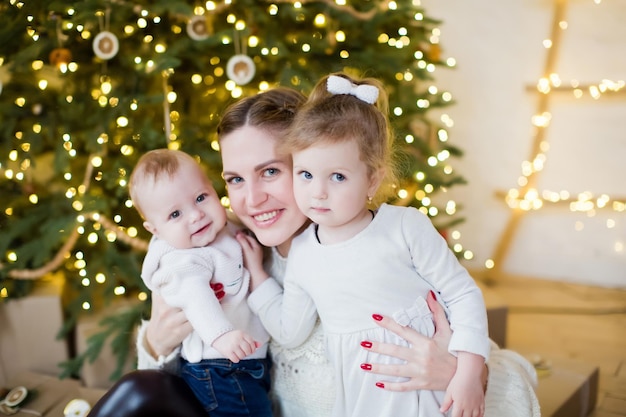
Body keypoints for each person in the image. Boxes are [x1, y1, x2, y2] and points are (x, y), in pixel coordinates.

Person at [88, 86, 540, 417]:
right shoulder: (228, 255)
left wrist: (463, 373)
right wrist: (154, 341)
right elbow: (169, 378)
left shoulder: (377, 242)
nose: (251, 199)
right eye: (235, 180)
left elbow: (507, 369)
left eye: (270, 171)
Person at [246, 73, 488, 417]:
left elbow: (462, 294)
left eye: (338, 177)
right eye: (305, 174)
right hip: (363, 399)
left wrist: (469, 373)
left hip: (428, 393)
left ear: (372, 179)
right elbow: (289, 331)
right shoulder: (303, 254)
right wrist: (256, 275)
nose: (318, 192)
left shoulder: (404, 227)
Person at [128, 149, 272, 417]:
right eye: (175, 215)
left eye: (201, 197)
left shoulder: (224, 227)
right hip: (218, 368)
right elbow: (196, 298)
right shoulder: (181, 259)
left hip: (244, 360)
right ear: (155, 230)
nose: (195, 215)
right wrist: (221, 335)